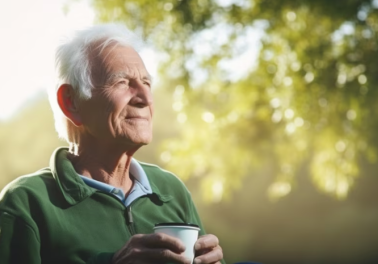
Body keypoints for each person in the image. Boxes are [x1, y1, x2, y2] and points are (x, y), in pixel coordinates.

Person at [0, 24, 224, 264]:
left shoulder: (171, 190)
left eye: (147, 83)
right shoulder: (25, 202)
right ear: (71, 102)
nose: (145, 99)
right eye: (122, 83)